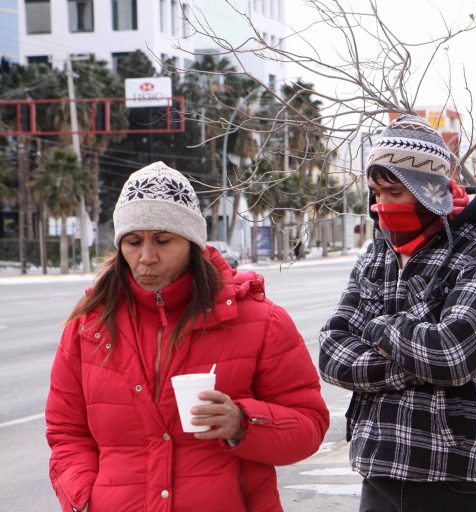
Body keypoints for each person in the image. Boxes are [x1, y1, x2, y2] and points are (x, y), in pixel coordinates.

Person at [45, 161, 329, 512]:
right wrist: (84, 499)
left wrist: (242, 423)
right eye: (133, 242)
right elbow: (67, 433)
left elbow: (309, 426)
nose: (146, 257)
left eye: (163, 241)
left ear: (191, 243)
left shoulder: (260, 320)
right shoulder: (90, 325)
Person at [318, 115, 476, 511]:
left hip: (460, 481)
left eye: (394, 192)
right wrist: (414, 360)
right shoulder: (378, 254)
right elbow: (331, 354)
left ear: (427, 191)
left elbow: (450, 356)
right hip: (379, 474)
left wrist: (377, 329)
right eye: (376, 192)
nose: (381, 206)